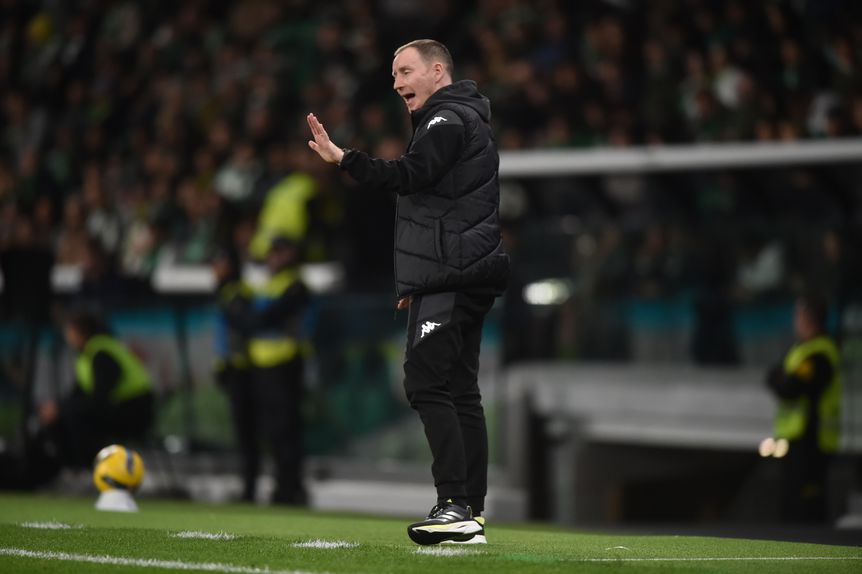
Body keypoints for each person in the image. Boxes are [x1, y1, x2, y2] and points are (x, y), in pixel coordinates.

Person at [306, 39, 509, 544]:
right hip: (458, 274)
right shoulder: (462, 119)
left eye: (404, 71)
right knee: (460, 390)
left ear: (437, 71)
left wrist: (344, 158)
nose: (396, 83)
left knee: (425, 381)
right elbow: (437, 202)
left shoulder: (447, 120)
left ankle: (454, 504)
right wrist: (416, 284)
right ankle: (469, 514)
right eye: (393, 74)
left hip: (453, 275)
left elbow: (409, 176)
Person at [225, 236, 310, 505]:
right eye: (272, 253)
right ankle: (277, 486)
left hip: (285, 364)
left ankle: (290, 488)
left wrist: (252, 320)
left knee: (286, 430)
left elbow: (262, 318)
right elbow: (248, 319)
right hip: (261, 366)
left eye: (279, 253)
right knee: (270, 431)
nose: (274, 258)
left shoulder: (295, 285)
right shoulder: (264, 286)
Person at [39, 310, 155, 469]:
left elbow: (100, 399)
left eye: (70, 331)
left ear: (81, 332)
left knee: (77, 419)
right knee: (59, 417)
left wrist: (63, 409)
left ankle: (90, 470)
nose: (67, 336)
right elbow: (77, 394)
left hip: (135, 411)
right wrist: (57, 408)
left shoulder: (102, 353)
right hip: (117, 410)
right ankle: (71, 470)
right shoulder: (86, 357)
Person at [765, 294, 842, 522]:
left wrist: (783, 381)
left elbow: (790, 387)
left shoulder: (819, 354)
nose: (795, 320)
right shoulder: (802, 349)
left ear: (808, 317)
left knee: (807, 504)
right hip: (794, 436)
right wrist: (782, 381)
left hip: (812, 436)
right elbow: (772, 376)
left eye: (798, 315)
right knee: (792, 500)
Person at [211, 247, 257, 502]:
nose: (214, 270)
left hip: (241, 371)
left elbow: (240, 333)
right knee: (243, 432)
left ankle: (250, 489)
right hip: (233, 370)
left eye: (219, 264)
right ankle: (247, 486)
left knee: (247, 431)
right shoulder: (227, 294)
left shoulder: (236, 295)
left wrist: (229, 364)